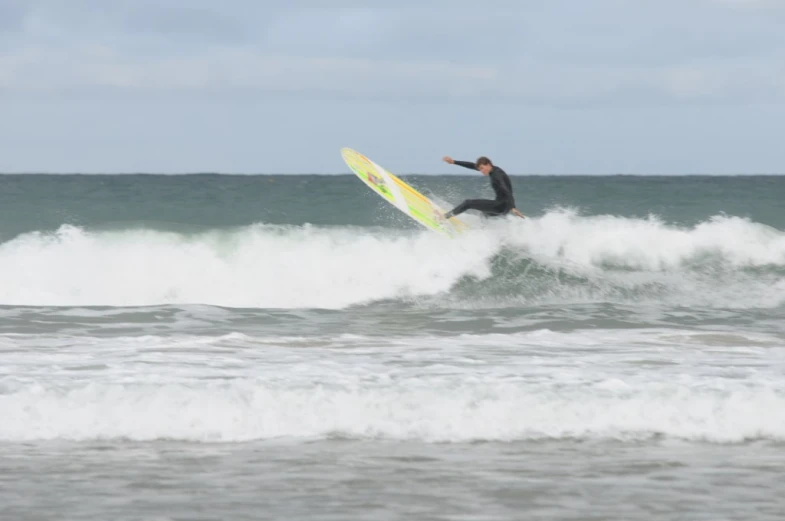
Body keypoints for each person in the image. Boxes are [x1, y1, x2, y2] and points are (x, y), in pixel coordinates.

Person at [440, 156, 525, 219]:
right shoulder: (493, 169)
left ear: (488, 164)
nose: (481, 171)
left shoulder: (497, 175)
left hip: (501, 205)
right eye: (480, 169)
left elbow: (506, 190)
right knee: (483, 214)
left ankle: (444, 217)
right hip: (504, 208)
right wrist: (454, 162)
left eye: (482, 168)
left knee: (468, 203)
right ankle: (482, 232)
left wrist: (513, 207)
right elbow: (472, 166)